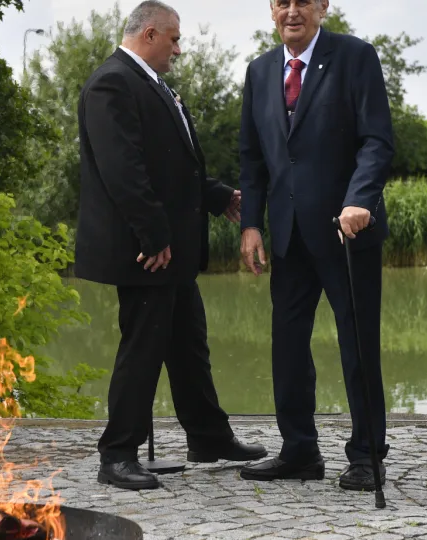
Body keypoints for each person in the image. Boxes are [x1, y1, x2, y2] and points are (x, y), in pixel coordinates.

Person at [75, 0, 267, 491]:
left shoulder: (151, 85)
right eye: (175, 39)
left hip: (170, 252)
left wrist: (219, 196)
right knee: (142, 350)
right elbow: (123, 170)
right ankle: (117, 454)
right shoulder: (112, 82)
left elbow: (174, 170)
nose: (180, 49)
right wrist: (154, 235)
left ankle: (208, 438)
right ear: (151, 34)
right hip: (145, 251)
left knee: (188, 347)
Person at [237, 0, 394, 490]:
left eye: (302, 1)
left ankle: (367, 456)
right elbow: (252, 157)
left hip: (347, 230)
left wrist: (359, 199)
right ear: (271, 10)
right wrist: (251, 224)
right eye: (281, 2)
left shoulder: (355, 57)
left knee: (357, 346)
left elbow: (377, 141)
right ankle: (300, 451)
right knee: (287, 347)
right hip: (286, 235)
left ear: (322, 6)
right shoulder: (260, 71)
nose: (291, 11)